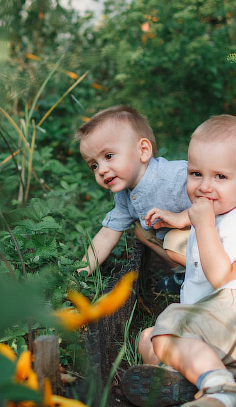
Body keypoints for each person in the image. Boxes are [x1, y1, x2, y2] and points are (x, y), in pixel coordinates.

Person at [120, 115, 236, 407]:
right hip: (232, 338)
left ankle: (226, 394)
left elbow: (224, 279)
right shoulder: (222, 208)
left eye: (220, 177)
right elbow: (202, 209)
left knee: (173, 320)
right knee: (149, 337)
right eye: (196, 173)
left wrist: (199, 223)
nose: (204, 186)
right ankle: (194, 382)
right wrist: (179, 218)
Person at [76, 105, 191, 278]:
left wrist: (182, 219)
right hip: (181, 246)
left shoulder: (175, 178)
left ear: (142, 150)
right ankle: (182, 274)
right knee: (142, 231)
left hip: (214, 238)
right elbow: (106, 236)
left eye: (108, 156)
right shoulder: (124, 197)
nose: (101, 170)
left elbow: (216, 205)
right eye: (94, 165)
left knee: (173, 238)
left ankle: (206, 276)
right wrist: (79, 273)